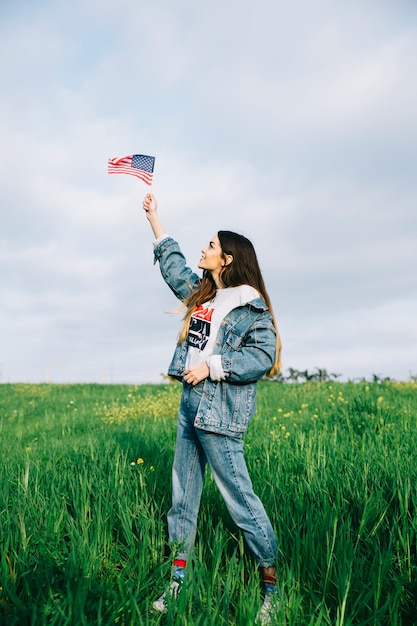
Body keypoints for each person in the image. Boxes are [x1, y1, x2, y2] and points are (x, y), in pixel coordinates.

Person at [142, 193, 282, 624]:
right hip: (189, 407)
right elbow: (174, 269)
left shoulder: (250, 305)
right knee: (182, 500)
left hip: (219, 413)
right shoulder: (204, 295)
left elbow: (263, 356)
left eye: (210, 245)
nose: (204, 249)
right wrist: (154, 220)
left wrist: (214, 366)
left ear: (227, 258)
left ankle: (272, 588)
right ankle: (177, 582)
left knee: (240, 501)